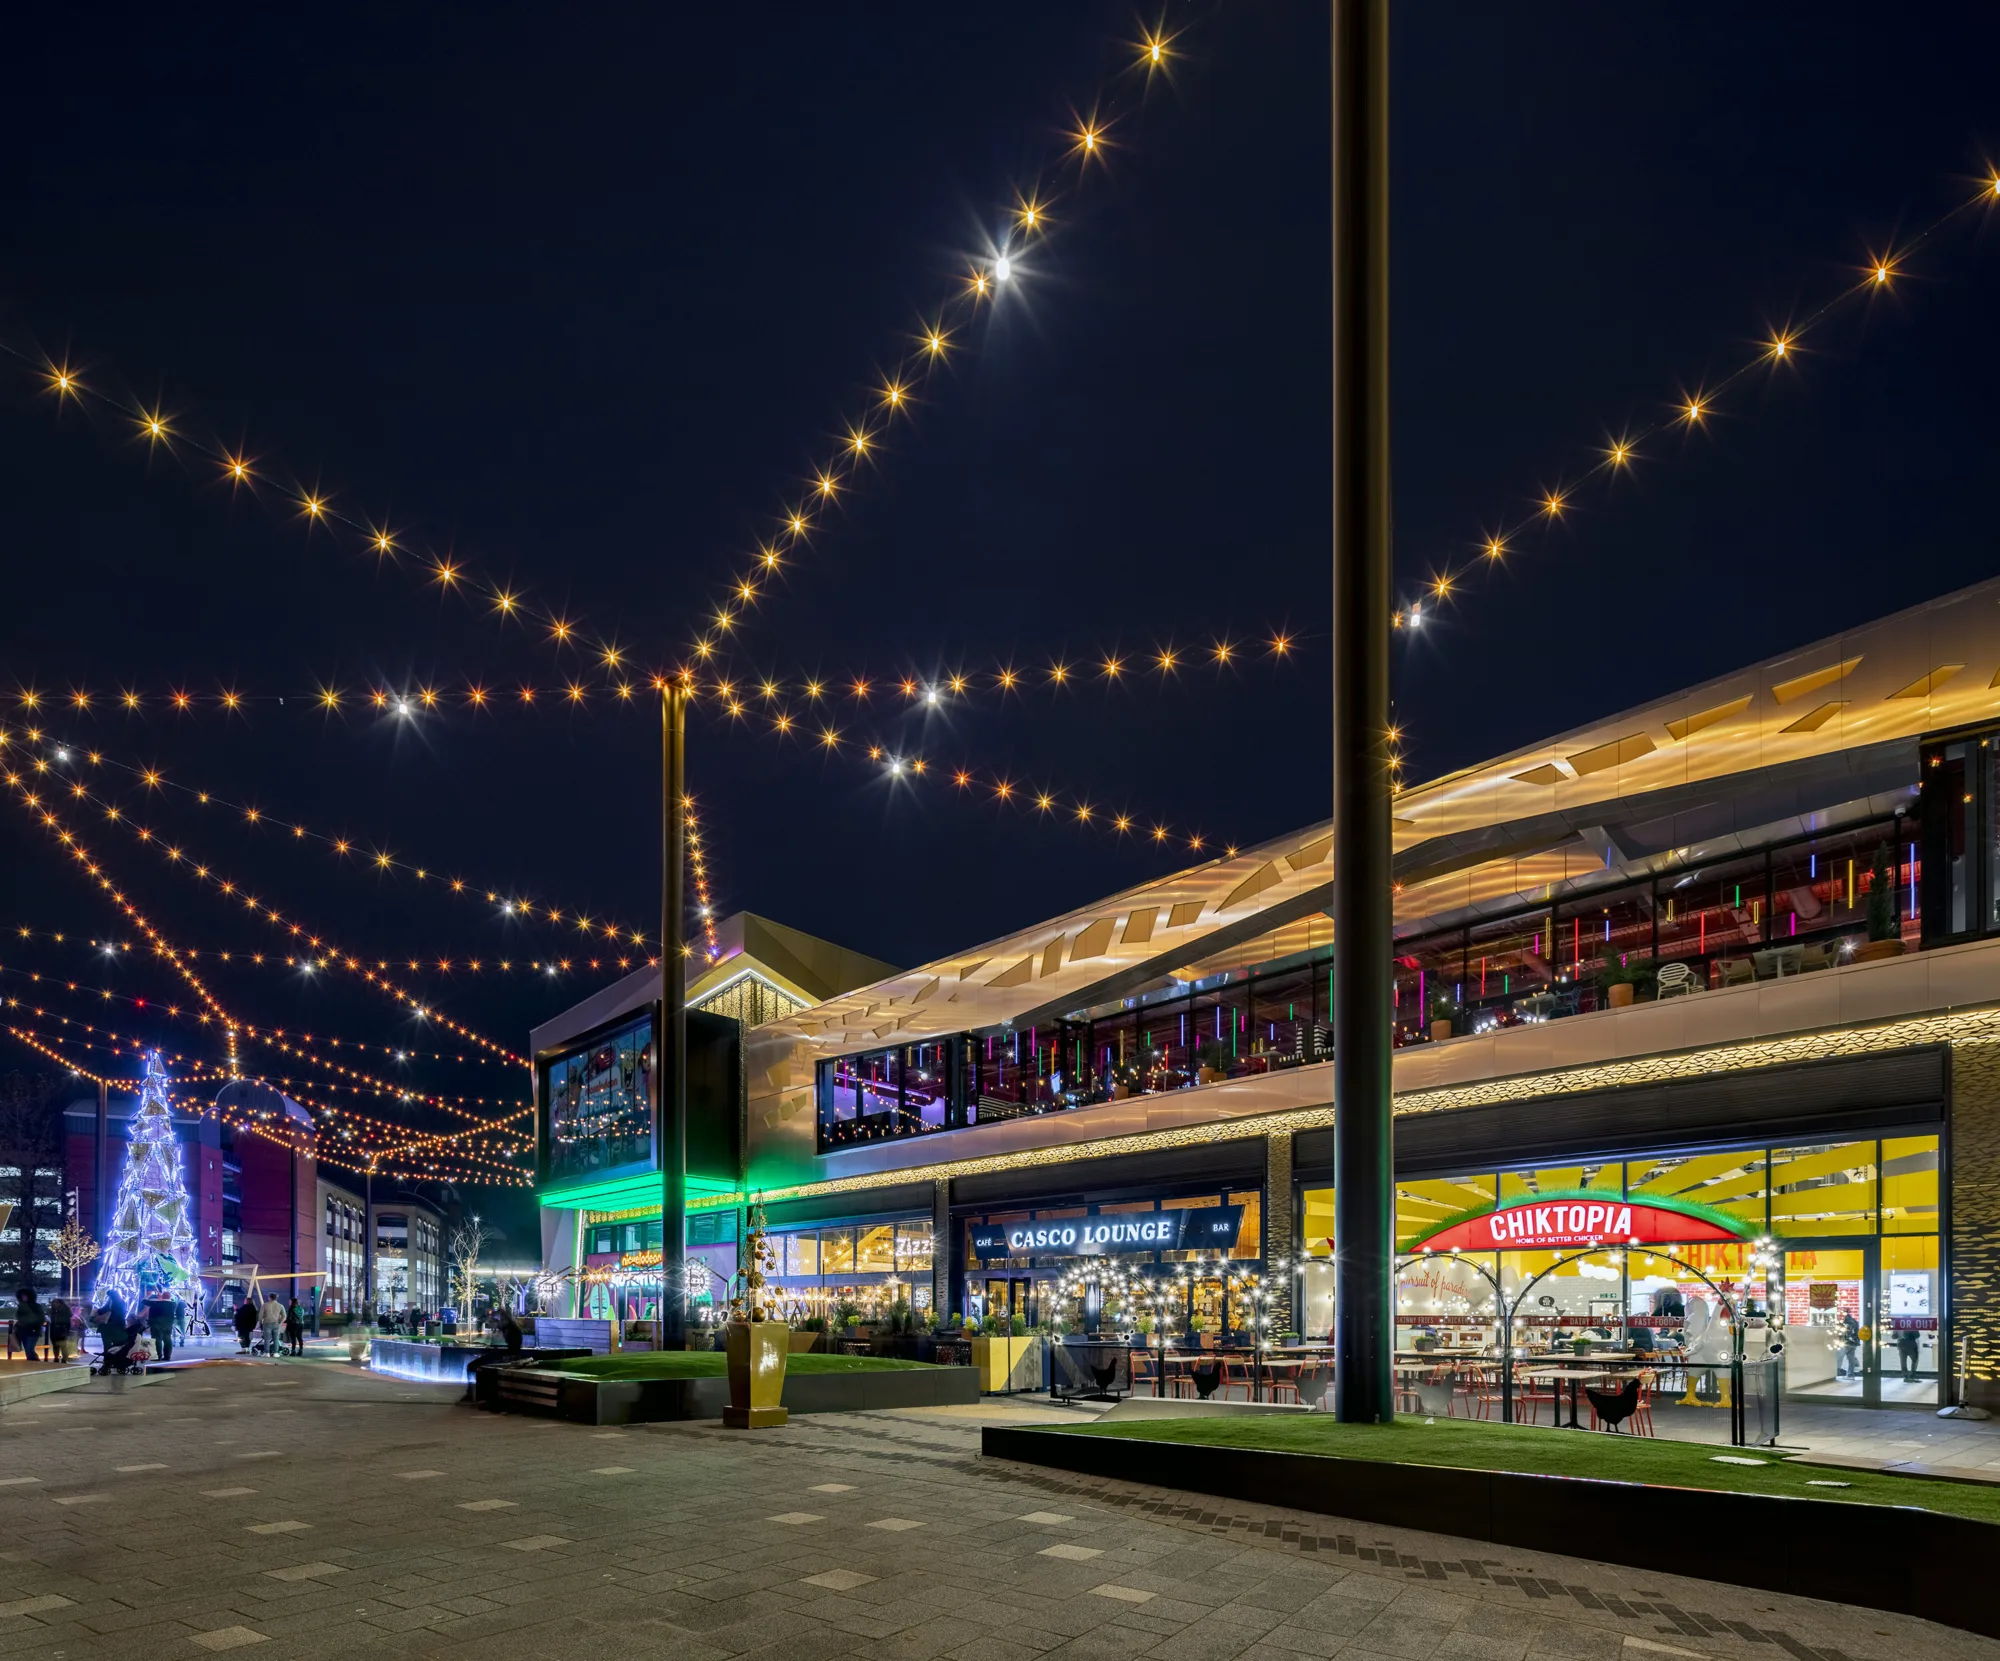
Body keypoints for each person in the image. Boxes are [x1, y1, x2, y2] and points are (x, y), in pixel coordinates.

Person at [12, 1288, 46, 1362]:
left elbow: (41, 1319)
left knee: (29, 1349)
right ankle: (33, 1363)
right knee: (28, 1349)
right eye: (22, 1296)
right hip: (24, 1331)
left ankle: (34, 1362)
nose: (23, 1297)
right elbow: (18, 1318)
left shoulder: (36, 1306)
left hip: (33, 1330)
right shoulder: (21, 1307)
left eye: (24, 1296)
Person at [145, 1293, 177, 1363]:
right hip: (168, 1324)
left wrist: (148, 1295)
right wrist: (161, 1298)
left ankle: (157, 1356)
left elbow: (144, 1301)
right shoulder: (173, 1304)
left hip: (157, 1324)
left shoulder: (157, 1303)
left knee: (157, 1340)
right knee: (167, 1340)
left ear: (162, 1296)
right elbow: (164, 1302)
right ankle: (167, 1356)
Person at [47, 1295, 74, 1363]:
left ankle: (64, 1359)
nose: (53, 1304)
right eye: (53, 1302)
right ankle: (56, 1358)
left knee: (62, 1345)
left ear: (60, 1303)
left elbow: (67, 1323)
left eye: (55, 1302)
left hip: (61, 1330)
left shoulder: (64, 1311)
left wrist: (67, 1331)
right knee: (55, 1345)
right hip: (54, 1331)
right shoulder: (53, 1311)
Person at [260, 1292, 286, 1359]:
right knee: (276, 1339)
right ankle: (275, 1353)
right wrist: (280, 1323)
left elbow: (260, 1316)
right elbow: (284, 1316)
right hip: (276, 1324)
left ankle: (267, 1353)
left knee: (267, 1339)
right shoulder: (280, 1305)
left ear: (269, 1297)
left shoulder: (265, 1305)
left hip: (267, 1323)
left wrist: (261, 1322)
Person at [1836, 1311, 1861, 1380]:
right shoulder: (1855, 1321)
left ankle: (1836, 1372)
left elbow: (1845, 1333)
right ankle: (1850, 1375)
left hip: (1847, 1342)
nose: (1839, 1317)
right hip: (1854, 1343)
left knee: (1839, 1357)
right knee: (1851, 1358)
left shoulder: (1845, 1323)